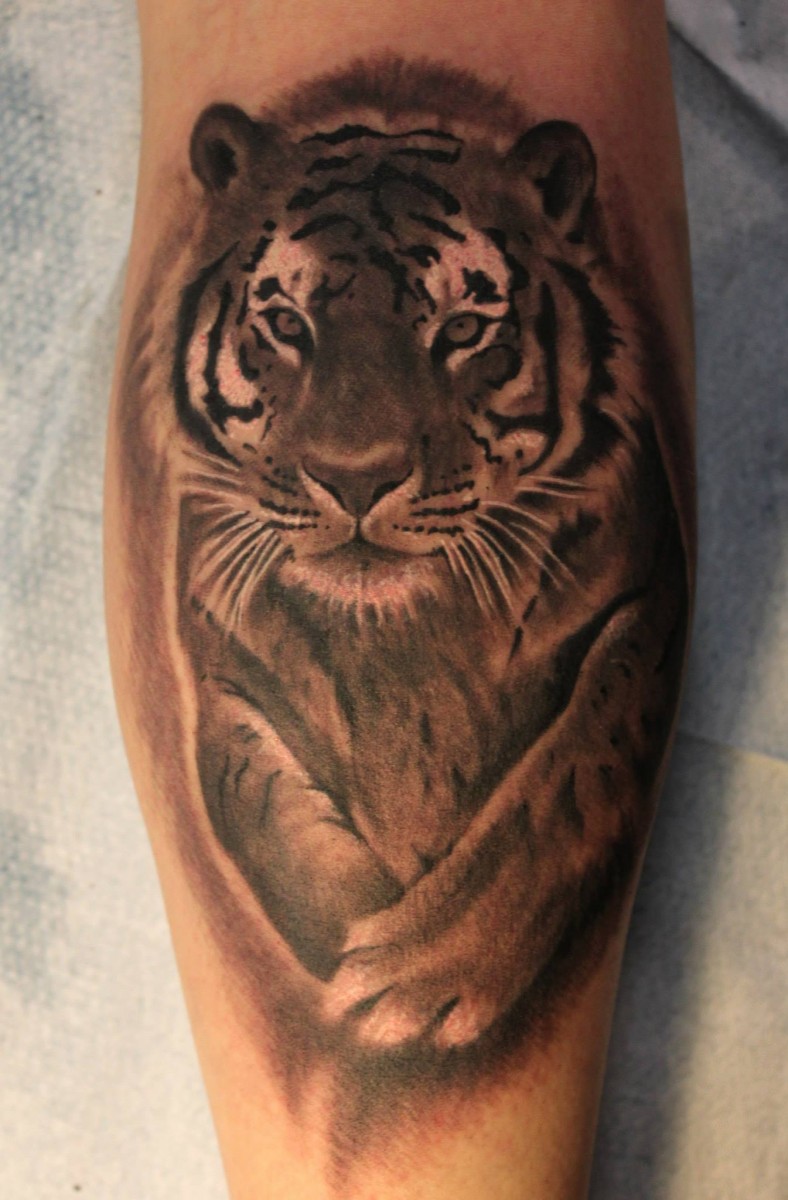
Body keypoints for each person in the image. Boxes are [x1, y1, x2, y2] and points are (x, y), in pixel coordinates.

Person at [105, 1, 694, 1195]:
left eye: (467, 329)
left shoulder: (579, 508)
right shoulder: (227, 534)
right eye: (280, 327)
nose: (357, 450)